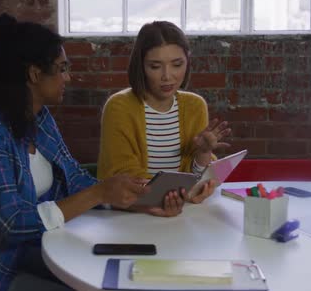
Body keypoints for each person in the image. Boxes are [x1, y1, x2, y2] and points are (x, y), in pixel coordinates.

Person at [0, 13, 147, 291]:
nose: (68, 77)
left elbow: (75, 178)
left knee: (107, 280)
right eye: (62, 68)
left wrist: (141, 200)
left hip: (22, 253)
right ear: (34, 74)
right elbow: (11, 223)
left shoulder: (39, 118)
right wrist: (100, 193)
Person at [97, 21, 231, 217]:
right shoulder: (119, 107)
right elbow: (120, 175)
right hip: (130, 216)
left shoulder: (195, 106)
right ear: (141, 66)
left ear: (187, 61)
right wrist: (179, 194)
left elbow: (194, 177)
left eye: (177, 65)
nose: (167, 76)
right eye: (155, 66)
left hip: (183, 214)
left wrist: (204, 152)